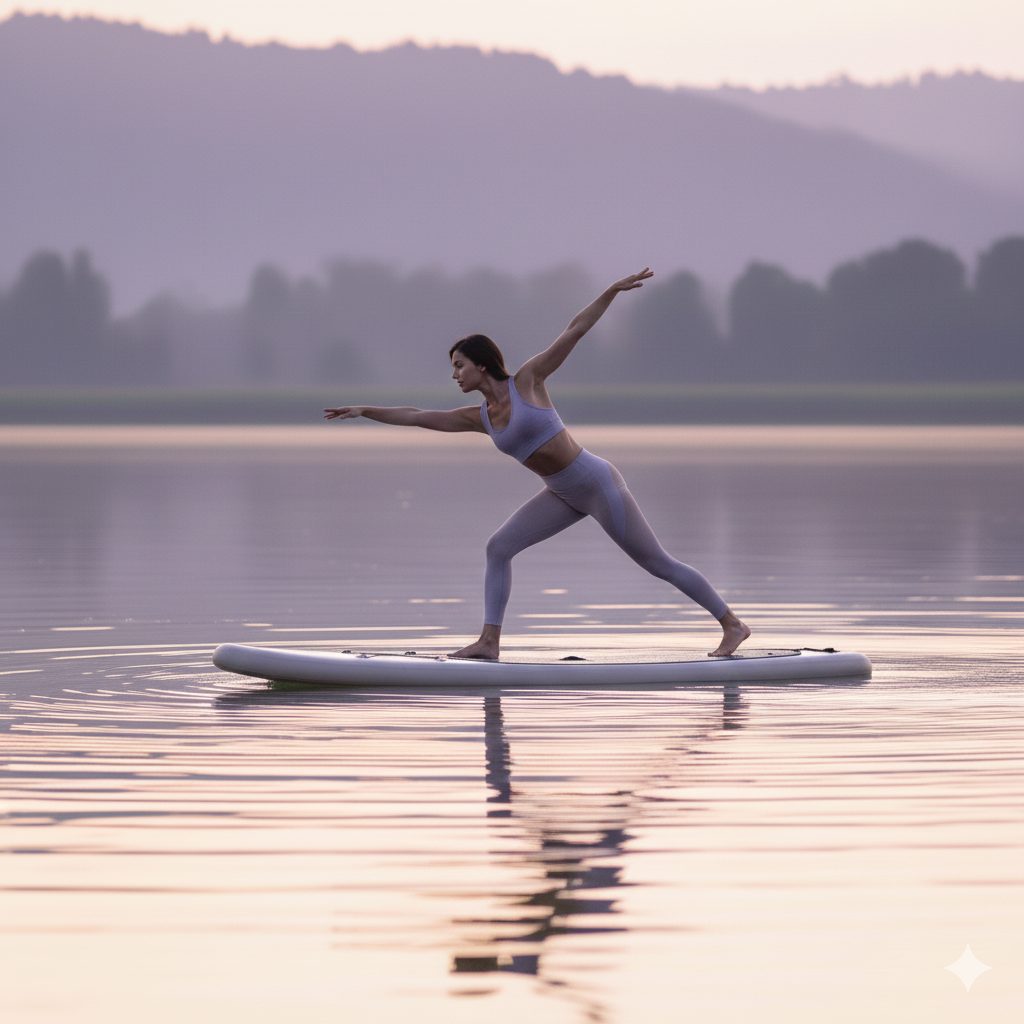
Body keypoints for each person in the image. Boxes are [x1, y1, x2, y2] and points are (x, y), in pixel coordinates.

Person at [324, 268, 750, 660]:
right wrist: (365, 409)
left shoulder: (528, 381)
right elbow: (415, 415)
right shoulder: (480, 419)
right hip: (561, 493)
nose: (454, 375)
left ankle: (732, 624)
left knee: (658, 563)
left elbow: (575, 330)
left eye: (458, 366)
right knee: (499, 547)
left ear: (482, 364)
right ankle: (489, 642)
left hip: (597, 483)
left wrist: (610, 292)